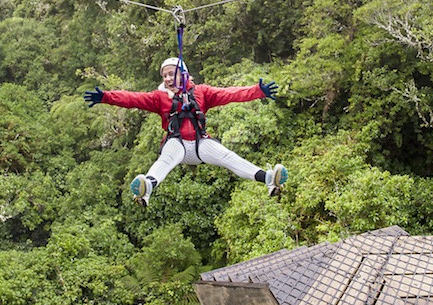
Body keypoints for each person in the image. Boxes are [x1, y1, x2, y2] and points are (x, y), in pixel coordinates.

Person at [84, 58, 288, 206]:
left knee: (228, 157)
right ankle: (146, 189)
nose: (167, 78)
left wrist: (257, 91)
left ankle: (269, 179)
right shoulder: (159, 97)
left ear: (183, 74)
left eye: (171, 74)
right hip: (177, 143)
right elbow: (132, 98)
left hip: (200, 144)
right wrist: (106, 97)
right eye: (164, 76)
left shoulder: (202, 92)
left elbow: (230, 94)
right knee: (165, 160)